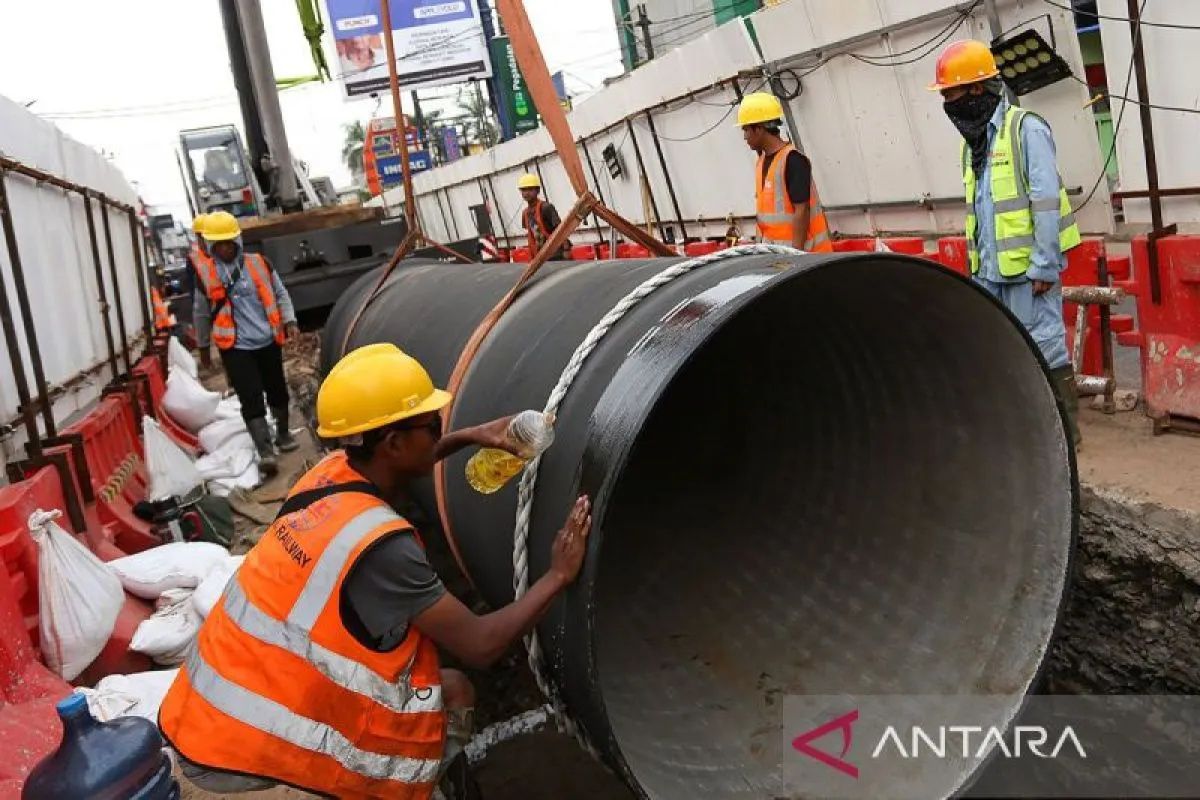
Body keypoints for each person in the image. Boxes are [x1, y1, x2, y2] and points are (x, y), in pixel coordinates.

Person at [159, 343, 593, 798]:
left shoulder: (327, 475)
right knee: (437, 709)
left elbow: (403, 461)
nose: (438, 431)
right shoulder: (384, 548)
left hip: (207, 719)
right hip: (255, 766)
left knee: (454, 690)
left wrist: (468, 436)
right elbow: (481, 644)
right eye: (433, 425)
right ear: (394, 443)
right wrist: (558, 575)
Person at [930, 40, 1083, 444]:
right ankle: (1027, 429)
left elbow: (1045, 201)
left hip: (1028, 272)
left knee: (1045, 345)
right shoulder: (974, 144)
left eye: (951, 93)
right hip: (990, 272)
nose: (947, 103)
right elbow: (980, 213)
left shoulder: (1025, 128)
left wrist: (1045, 265)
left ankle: (1066, 434)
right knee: (1002, 346)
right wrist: (976, 269)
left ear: (977, 90)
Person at [192, 210, 300, 474]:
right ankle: (265, 451)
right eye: (219, 244)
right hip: (236, 348)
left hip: (267, 340)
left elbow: (280, 292)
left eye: (229, 243)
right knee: (250, 397)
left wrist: (290, 320)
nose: (226, 249)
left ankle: (283, 435)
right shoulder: (206, 274)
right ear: (211, 245)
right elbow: (201, 313)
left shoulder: (259, 263)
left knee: (277, 390)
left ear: (237, 241)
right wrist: (204, 347)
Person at [737, 92, 833, 253]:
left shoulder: (793, 160)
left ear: (759, 129)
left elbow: (801, 211)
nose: (745, 136)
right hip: (776, 255)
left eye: (746, 129)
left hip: (805, 258)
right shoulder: (761, 161)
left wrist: (795, 255)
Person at [518, 173, 570, 260]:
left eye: (530, 189)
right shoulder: (525, 213)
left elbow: (560, 228)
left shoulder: (546, 207)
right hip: (539, 255)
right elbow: (531, 235)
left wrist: (566, 249)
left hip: (555, 253)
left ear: (538, 191)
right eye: (523, 190)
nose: (526, 193)